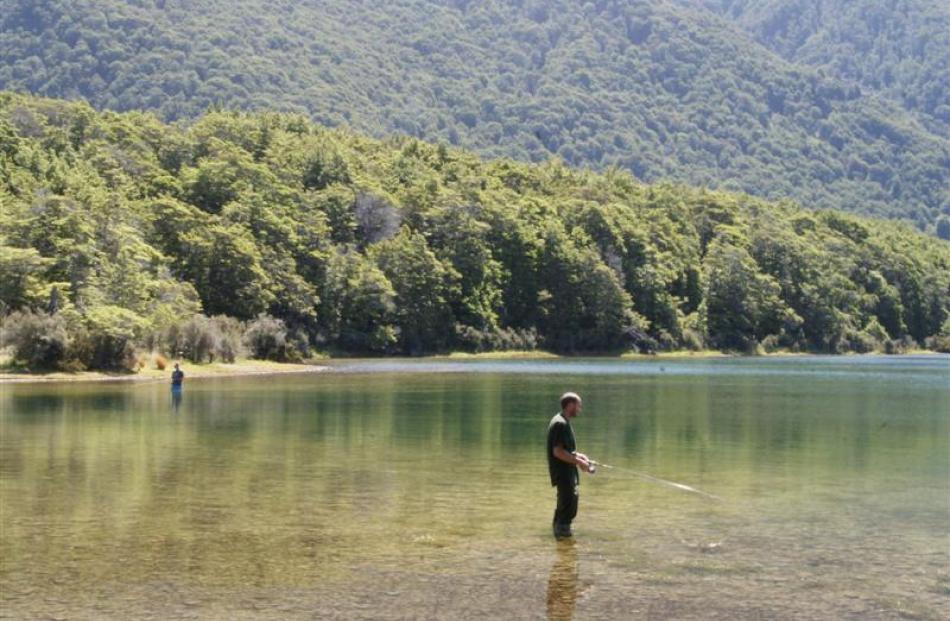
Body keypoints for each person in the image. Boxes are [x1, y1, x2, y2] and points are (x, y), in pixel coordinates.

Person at [547, 392, 594, 539]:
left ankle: (561, 537)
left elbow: (566, 450)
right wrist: (580, 463)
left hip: (567, 472)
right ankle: (562, 538)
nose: (579, 409)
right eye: (578, 405)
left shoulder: (563, 421)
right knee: (567, 506)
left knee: (569, 504)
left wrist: (581, 456)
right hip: (563, 473)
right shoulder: (560, 423)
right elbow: (558, 452)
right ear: (570, 405)